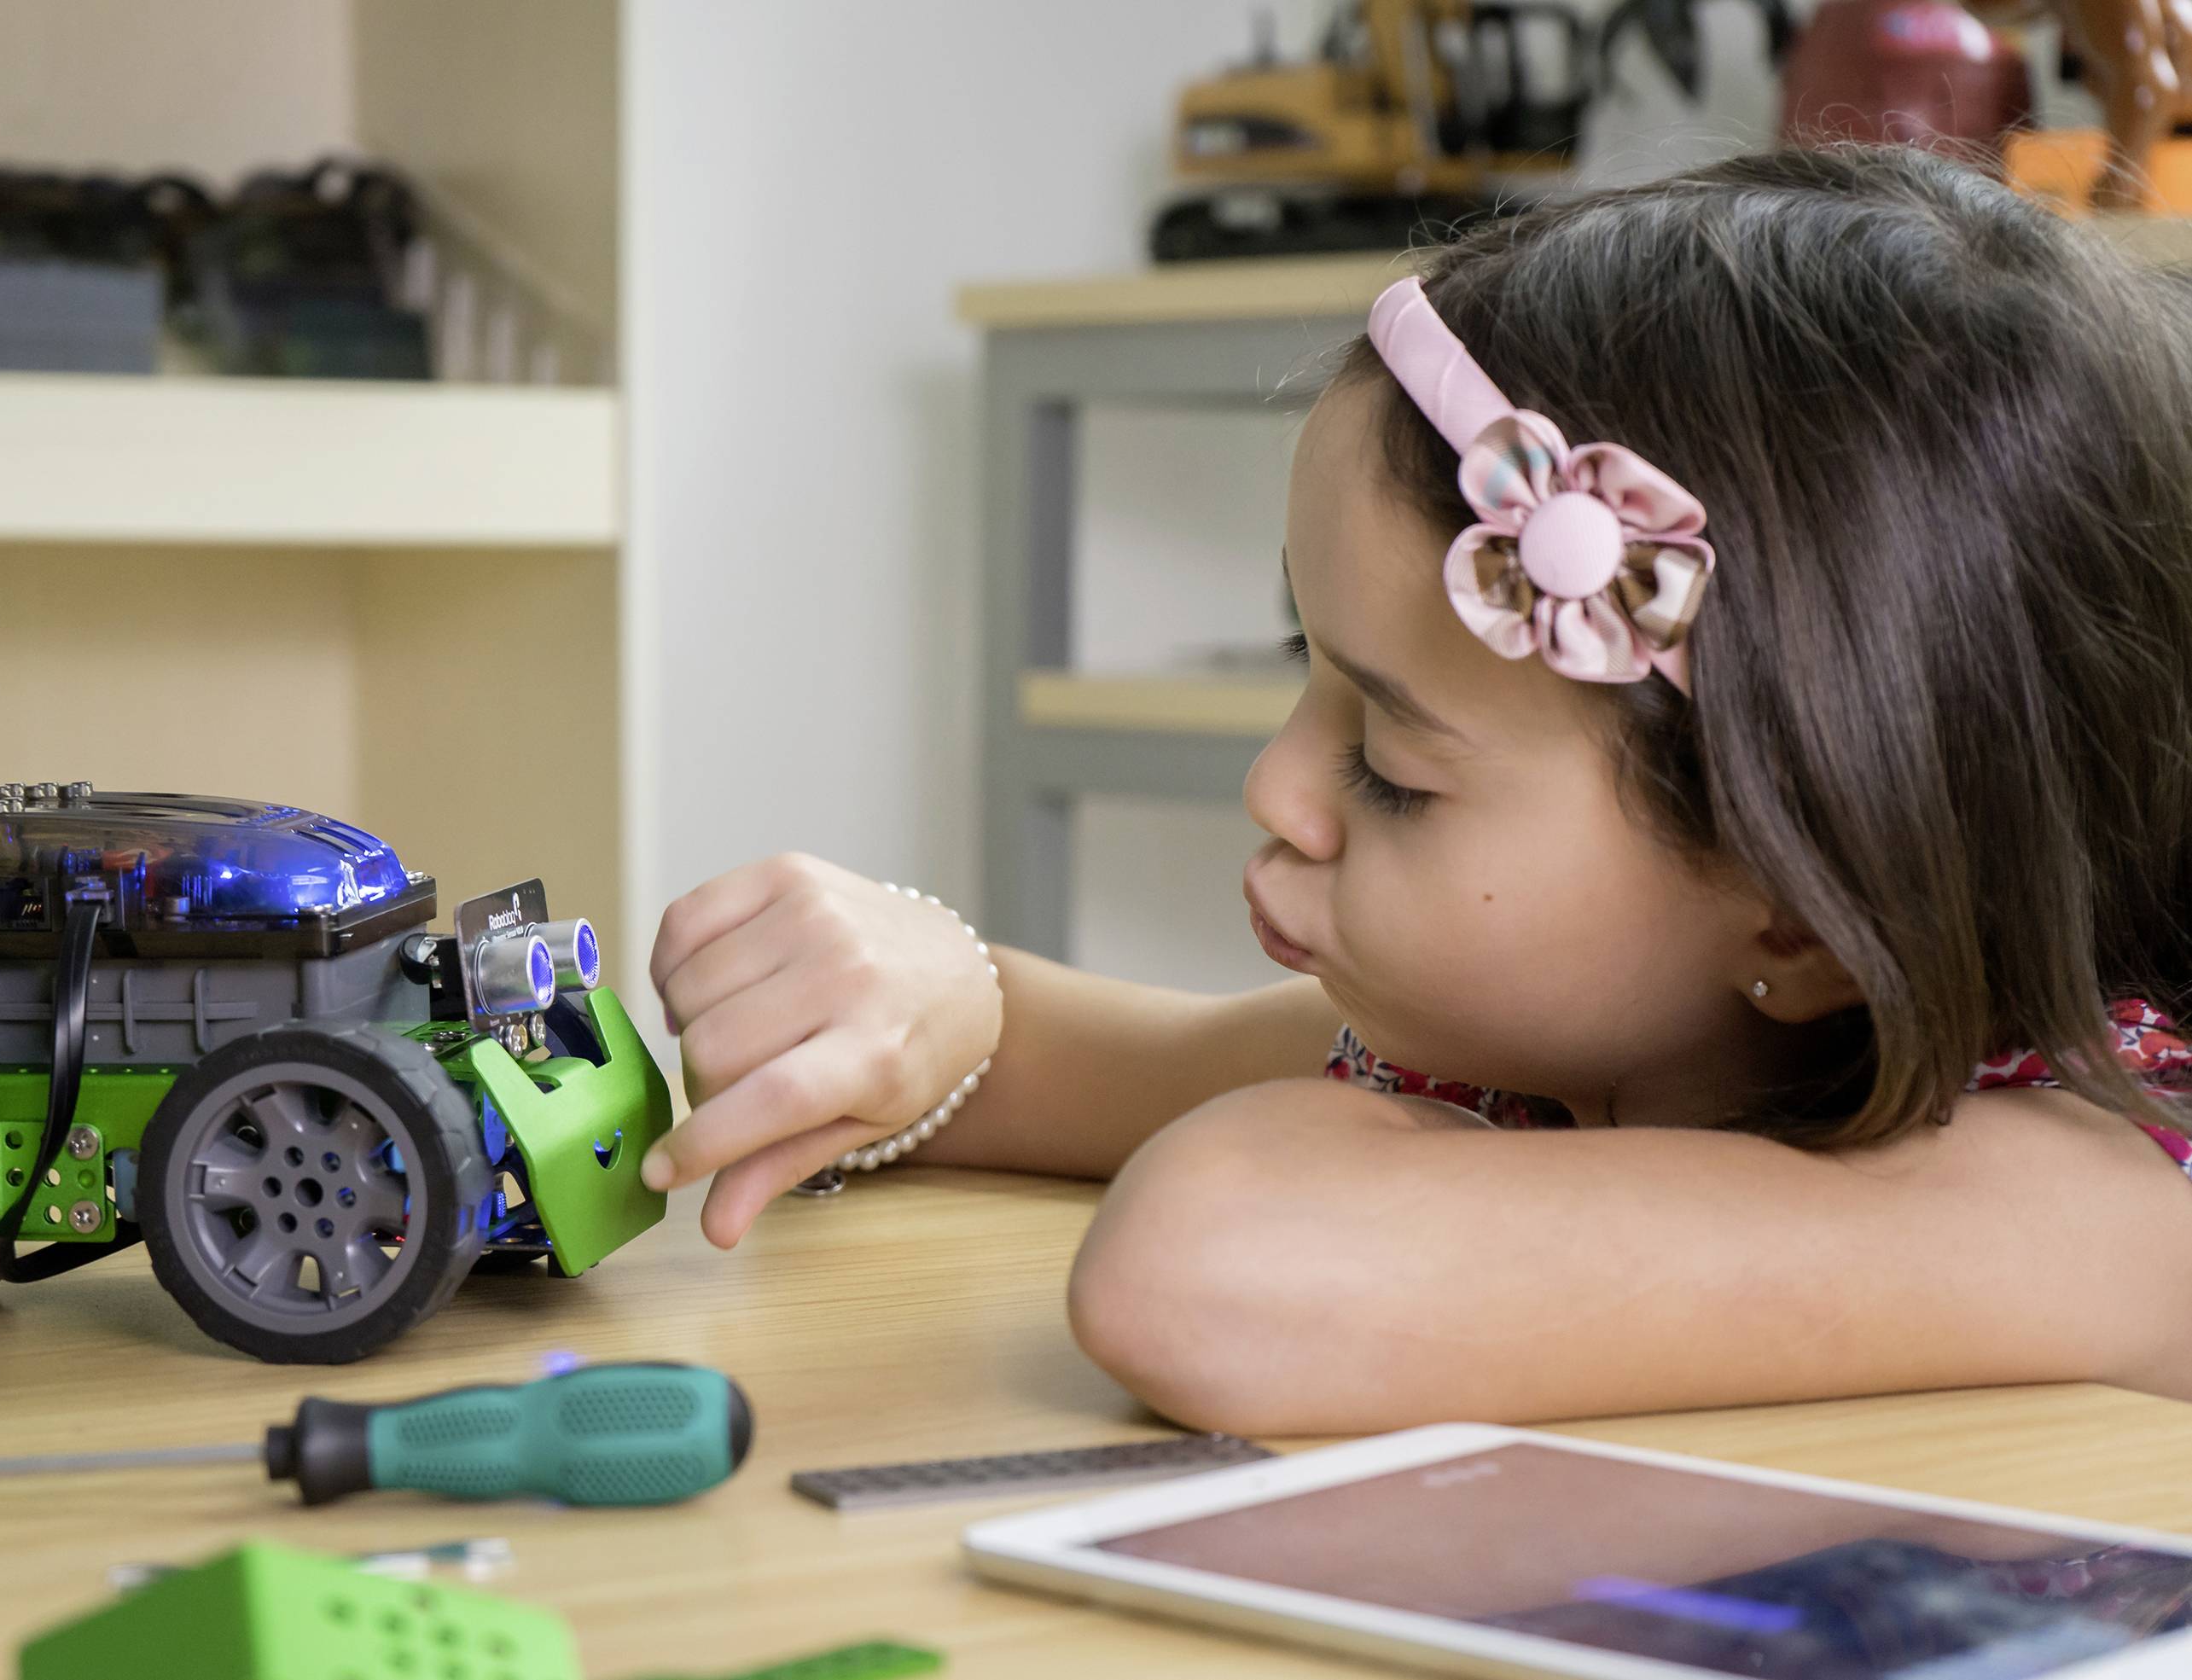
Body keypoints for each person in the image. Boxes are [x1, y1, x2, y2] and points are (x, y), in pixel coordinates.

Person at [641, 145, 2192, 1434]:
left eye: (1389, 766)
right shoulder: (1591, 1047)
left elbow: (1212, 1267)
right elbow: (1095, 1062)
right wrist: (931, 996)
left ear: (1800, 911)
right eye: (1296, 665)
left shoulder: (2089, 1205)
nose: (1273, 785)